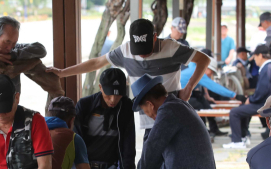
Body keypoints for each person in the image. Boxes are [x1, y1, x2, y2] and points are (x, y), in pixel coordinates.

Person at [47, 18, 211, 139]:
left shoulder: (171, 47)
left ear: (155, 37)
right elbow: (96, 62)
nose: (142, 54)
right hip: (149, 120)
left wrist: (188, 88)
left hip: (174, 115)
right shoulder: (125, 51)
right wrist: (62, 73)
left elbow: (204, 59)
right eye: (138, 49)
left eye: (146, 49)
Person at [0, 16, 63, 100]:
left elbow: (41, 50)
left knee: (31, 59)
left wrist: (14, 55)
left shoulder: (13, 49)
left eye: (14, 43)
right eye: (7, 42)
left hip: (12, 104)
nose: (10, 48)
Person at [223, 45, 271, 149]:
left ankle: (237, 141)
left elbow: (262, 91)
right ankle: (244, 136)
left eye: (254, 56)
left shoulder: (266, 69)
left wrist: (250, 99)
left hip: (264, 104)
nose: (254, 59)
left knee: (234, 112)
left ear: (260, 55)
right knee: (242, 109)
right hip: (270, 102)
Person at [186, 57, 235, 139]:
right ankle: (203, 132)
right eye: (211, 71)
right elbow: (214, 87)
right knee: (199, 107)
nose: (211, 74)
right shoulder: (198, 71)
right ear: (206, 67)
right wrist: (233, 94)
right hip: (179, 95)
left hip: (189, 93)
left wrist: (207, 96)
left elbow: (204, 86)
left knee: (206, 105)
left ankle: (214, 129)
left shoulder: (197, 69)